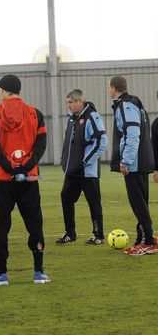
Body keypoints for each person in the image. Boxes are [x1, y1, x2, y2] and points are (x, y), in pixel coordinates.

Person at [0, 75, 49, 286]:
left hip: (3, 179)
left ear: (4, 91)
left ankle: (1, 273)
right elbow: (41, 145)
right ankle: (39, 272)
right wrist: (26, 166)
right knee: (35, 223)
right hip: (29, 179)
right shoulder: (35, 114)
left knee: (1, 227)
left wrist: (10, 167)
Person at [109, 76, 157, 255]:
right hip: (142, 160)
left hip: (135, 163)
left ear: (113, 88)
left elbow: (132, 134)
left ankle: (149, 241)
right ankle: (143, 238)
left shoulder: (126, 106)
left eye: (109, 88)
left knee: (138, 203)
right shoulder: (136, 103)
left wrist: (126, 161)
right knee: (141, 202)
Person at [56, 89, 107, 245]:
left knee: (93, 202)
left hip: (87, 170)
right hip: (73, 170)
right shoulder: (71, 119)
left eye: (71, 102)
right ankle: (70, 233)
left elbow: (101, 142)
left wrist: (85, 161)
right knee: (66, 197)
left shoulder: (92, 117)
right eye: (67, 103)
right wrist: (66, 161)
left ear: (80, 101)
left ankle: (98, 235)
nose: (69, 106)